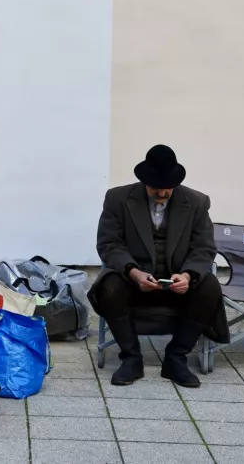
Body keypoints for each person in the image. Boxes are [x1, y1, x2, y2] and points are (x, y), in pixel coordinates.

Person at [87, 145, 229, 388]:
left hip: (177, 284)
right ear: (144, 181)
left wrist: (187, 275)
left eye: (168, 188)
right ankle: (131, 358)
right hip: (133, 281)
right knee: (108, 286)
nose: (162, 193)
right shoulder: (117, 199)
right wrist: (133, 272)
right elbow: (109, 244)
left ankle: (176, 358)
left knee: (210, 286)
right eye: (156, 187)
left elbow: (204, 248)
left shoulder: (197, 202)